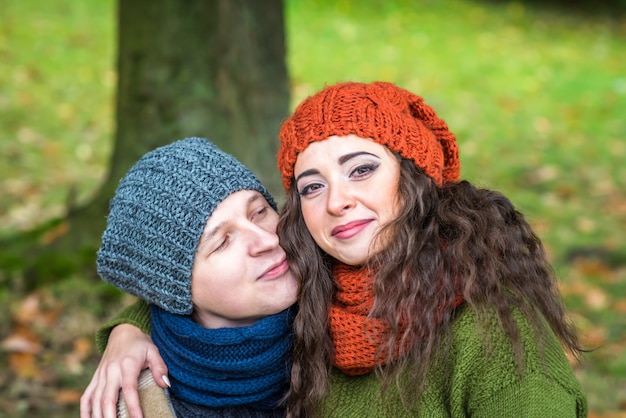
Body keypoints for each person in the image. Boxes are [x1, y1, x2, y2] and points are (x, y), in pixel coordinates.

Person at [83, 82, 587, 417]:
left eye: (362, 169)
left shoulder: (495, 336)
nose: (340, 201)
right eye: (312, 186)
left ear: (412, 176)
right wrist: (129, 331)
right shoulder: (315, 289)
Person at [80, 137, 298, 418]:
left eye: (258, 212)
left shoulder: (348, 326)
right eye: (222, 242)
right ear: (175, 289)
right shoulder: (141, 405)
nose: (267, 240)